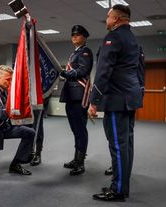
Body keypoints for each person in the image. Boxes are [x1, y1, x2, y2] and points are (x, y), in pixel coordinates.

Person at [89, 4, 144, 202]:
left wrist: (94, 101)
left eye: (108, 16)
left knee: (118, 146)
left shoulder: (112, 37)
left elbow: (103, 72)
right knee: (126, 143)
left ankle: (118, 189)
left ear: (117, 19)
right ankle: (122, 183)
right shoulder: (133, 39)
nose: (107, 20)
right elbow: (138, 71)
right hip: (130, 98)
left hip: (116, 100)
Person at [59, 25, 93, 176]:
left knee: (80, 130)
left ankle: (80, 162)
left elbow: (83, 71)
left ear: (84, 37)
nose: (74, 37)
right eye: (73, 35)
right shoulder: (74, 53)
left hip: (79, 96)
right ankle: (75, 158)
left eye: (78, 35)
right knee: (75, 130)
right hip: (71, 96)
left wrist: (66, 74)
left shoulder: (85, 51)